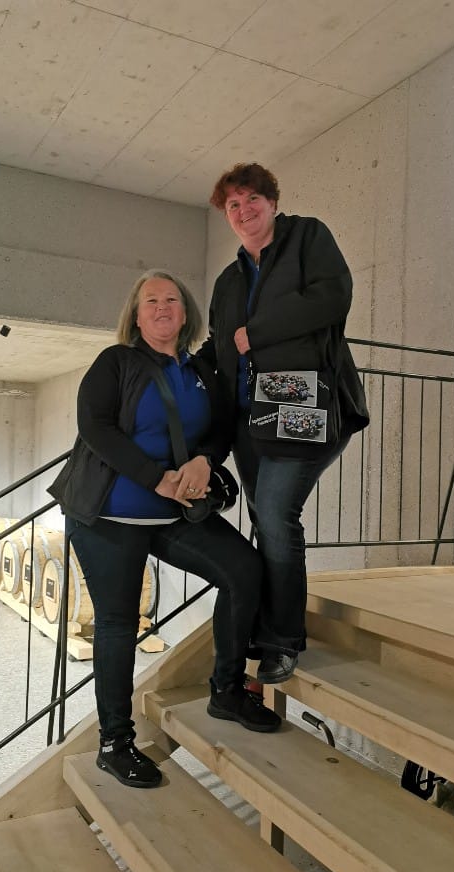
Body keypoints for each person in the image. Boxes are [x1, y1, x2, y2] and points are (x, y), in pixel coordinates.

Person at [48, 269, 281, 790]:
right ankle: (115, 743)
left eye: (171, 299)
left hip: (172, 515)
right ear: (136, 315)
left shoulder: (199, 370)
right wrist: (157, 478)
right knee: (117, 625)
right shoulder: (116, 362)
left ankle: (226, 690)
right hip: (109, 516)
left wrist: (204, 460)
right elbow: (95, 427)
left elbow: (221, 427)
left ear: (185, 312)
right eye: (150, 300)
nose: (161, 307)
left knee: (243, 570)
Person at [199, 163, 369, 686]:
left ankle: (283, 639)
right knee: (263, 517)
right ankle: (265, 622)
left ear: (272, 202)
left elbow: (332, 297)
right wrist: (173, 366)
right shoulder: (228, 281)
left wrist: (258, 332)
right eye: (233, 205)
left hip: (304, 401)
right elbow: (220, 345)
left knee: (274, 513)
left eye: (252, 198)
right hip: (251, 417)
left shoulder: (307, 238)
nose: (243, 210)